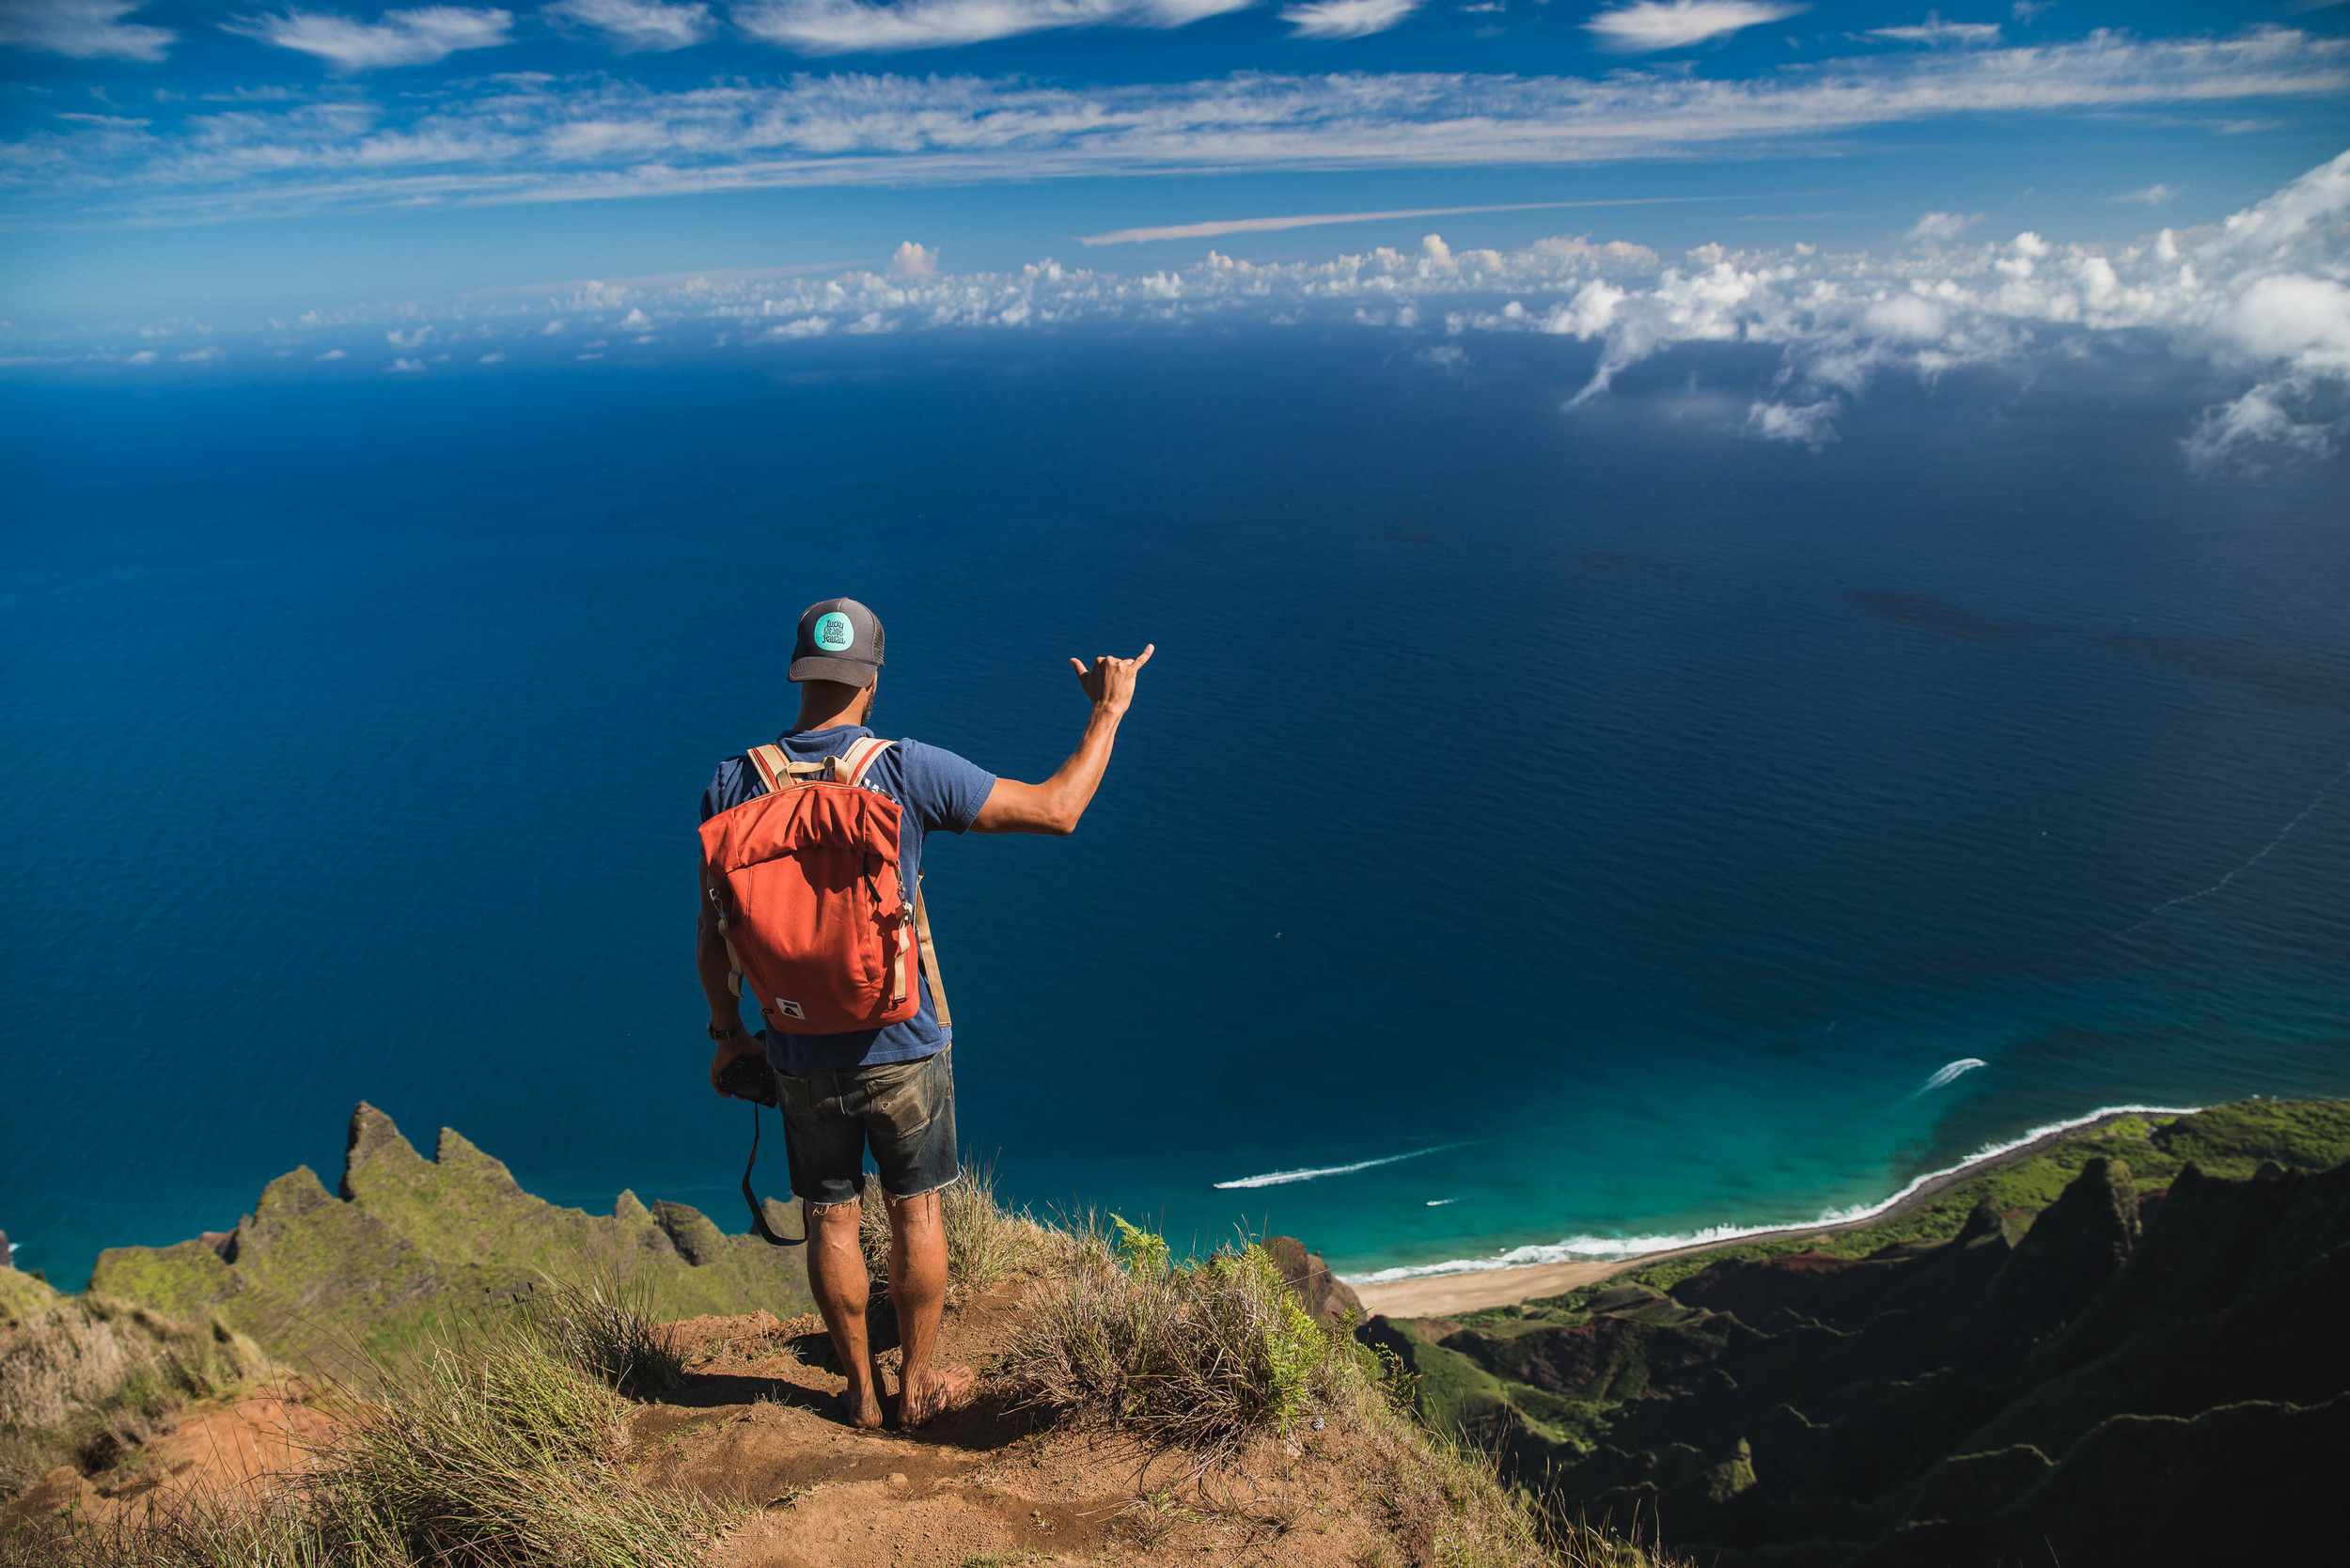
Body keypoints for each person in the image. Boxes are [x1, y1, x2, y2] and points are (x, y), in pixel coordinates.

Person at [697, 597, 1152, 1429]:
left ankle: (859, 1397)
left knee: (831, 1217)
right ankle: (916, 1388)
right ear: (872, 681)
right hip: (904, 1040)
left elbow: (712, 935)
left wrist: (730, 1036)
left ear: (799, 674)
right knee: (917, 1210)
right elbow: (1059, 810)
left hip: (796, 1045)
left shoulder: (732, 782)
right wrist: (1109, 711)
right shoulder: (903, 770)